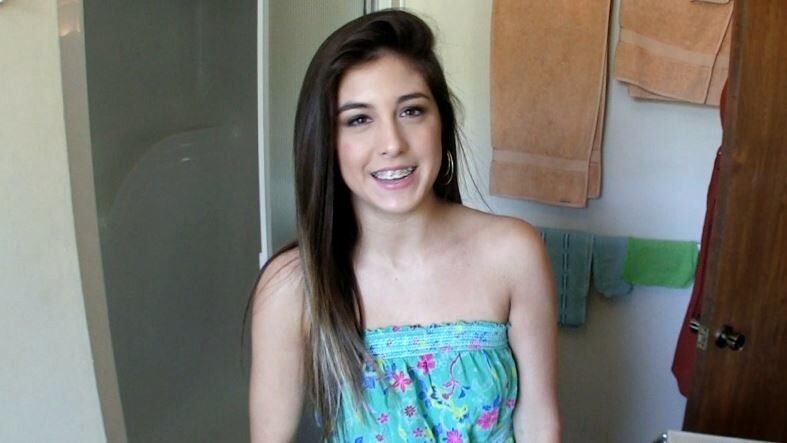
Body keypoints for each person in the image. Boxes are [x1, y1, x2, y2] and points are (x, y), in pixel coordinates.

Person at [248, 10, 560, 442]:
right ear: (326, 141)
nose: (392, 144)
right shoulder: (293, 286)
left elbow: (539, 421)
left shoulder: (513, 252)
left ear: (441, 123)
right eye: (359, 119)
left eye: (411, 111)